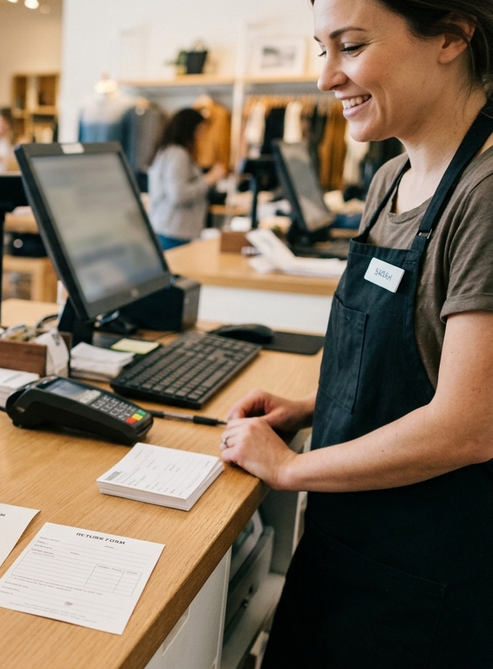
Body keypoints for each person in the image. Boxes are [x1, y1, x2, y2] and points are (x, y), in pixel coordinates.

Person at [218, 0, 493, 666]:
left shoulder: (484, 194)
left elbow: (468, 422)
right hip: (350, 541)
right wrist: (314, 407)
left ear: (452, 36)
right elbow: (419, 364)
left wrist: (289, 467)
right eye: (322, 49)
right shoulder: (389, 180)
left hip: (424, 583)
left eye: (351, 45)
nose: (326, 78)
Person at [146, 108, 228, 250]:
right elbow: (178, 195)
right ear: (189, 129)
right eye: (200, 130)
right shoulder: (178, 154)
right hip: (173, 230)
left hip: (171, 228)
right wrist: (209, 179)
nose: (201, 136)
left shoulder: (168, 151)